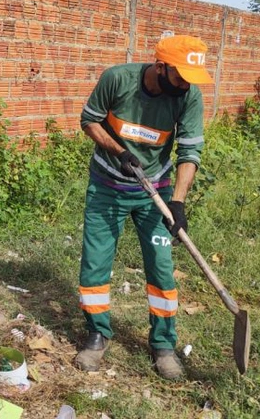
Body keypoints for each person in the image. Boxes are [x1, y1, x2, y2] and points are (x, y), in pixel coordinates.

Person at [75, 34, 211, 380]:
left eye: (191, 80)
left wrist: (177, 203)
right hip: (108, 186)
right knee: (95, 264)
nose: (185, 86)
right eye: (180, 77)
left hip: (157, 191)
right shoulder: (117, 79)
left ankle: (163, 344)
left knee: (162, 269)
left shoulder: (189, 96)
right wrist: (119, 153)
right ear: (160, 67)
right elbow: (89, 119)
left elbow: (190, 151)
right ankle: (97, 335)